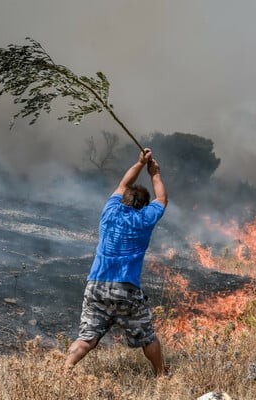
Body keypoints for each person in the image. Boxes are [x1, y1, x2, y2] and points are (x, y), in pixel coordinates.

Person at [64, 148, 168, 376]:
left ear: (123, 200)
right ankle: (162, 374)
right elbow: (161, 199)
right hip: (126, 288)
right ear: (144, 206)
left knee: (87, 338)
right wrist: (155, 173)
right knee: (147, 336)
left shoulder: (109, 212)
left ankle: (63, 372)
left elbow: (123, 184)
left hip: (96, 285)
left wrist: (140, 163)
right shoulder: (144, 219)